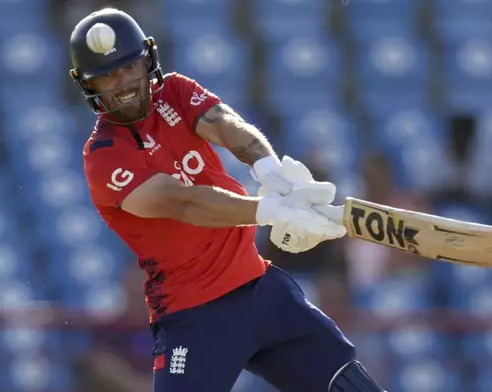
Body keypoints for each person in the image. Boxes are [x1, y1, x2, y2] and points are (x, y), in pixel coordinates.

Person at [69, 8, 386, 392]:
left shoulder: (175, 91)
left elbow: (226, 124)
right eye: (106, 75)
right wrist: (269, 209)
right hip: (194, 315)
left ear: (146, 61)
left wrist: (270, 169)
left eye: (128, 67)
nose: (122, 83)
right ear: (89, 85)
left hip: (260, 288)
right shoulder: (102, 156)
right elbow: (186, 203)